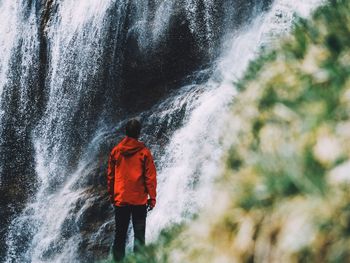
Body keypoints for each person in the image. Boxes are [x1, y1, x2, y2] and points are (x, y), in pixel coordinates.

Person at [107, 118, 157, 261]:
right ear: (139, 133)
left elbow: (110, 176)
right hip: (139, 201)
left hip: (121, 199)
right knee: (139, 236)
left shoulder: (116, 151)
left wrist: (112, 195)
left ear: (126, 132)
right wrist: (152, 198)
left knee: (120, 235)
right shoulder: (144, 153)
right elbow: (150, 177)